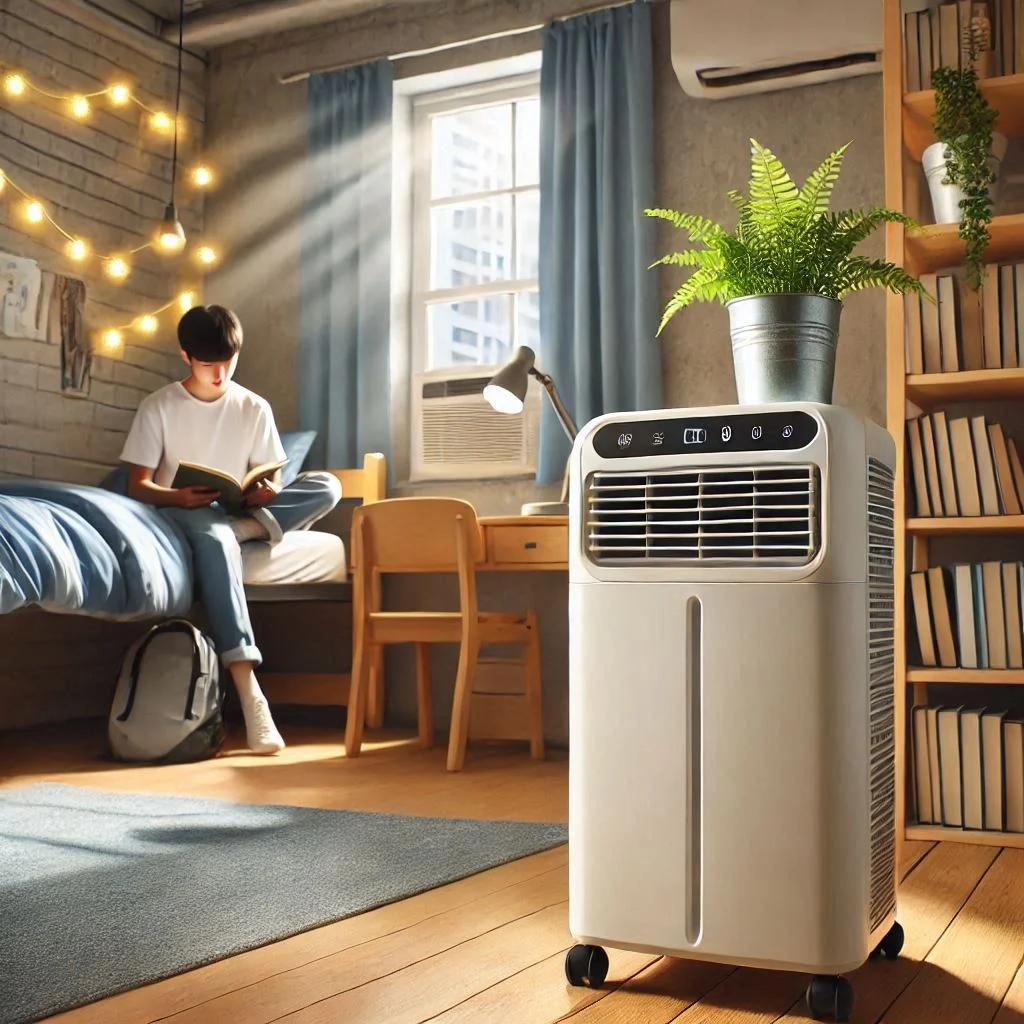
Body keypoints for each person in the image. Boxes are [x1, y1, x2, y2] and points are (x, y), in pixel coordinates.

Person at [119, 304, 341, 754]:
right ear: (186, 358)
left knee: (327, 485)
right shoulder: (159, 406)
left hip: (233, 511)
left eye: (228, 363)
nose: (220, 375)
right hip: (181, 511)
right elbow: (138, 485)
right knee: (216, 534)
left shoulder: (253, 406)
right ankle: (250, 690)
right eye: (208, 365)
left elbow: (272, 473)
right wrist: (179, 497)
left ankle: (247, 526)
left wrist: (266, 489)